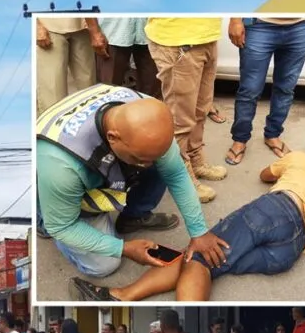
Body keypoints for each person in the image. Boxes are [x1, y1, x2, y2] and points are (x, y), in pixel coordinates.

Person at [70, 151, 305, 302]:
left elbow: (265, 175)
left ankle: (120, 296)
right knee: (210, 261)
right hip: (293, 248)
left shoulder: (302, 159)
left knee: (199, 256)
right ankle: (121, 295)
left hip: (275, 212)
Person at [36, 84, 227, 280]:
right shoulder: (61, 164)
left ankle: (133, 216)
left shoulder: (147, 113)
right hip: (60, 175)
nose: (147, 166)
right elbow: (63, 226)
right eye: (139, 158)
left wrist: (199, 231)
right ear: (113, 138)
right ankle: (43, 214)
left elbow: (176, 174)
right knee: (104, 265)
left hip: (88, 160)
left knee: (160, 162)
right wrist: (123, 248)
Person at [225, 17, 305, 165]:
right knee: (250, 90)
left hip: (299, 28)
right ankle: (240, 139)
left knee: (285, 89)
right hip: (260, 26)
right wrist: (235, 19)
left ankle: (272, 134)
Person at [145, 18, 228, 203]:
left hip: (206, 36)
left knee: (201, 110)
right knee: (180, 119)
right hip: (177, 40)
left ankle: (196, 159)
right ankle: (181, 176)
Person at [35, 17, 104, 115]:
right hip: (48, 26)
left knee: (88, 89)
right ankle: (53, 128)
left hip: (82, 25)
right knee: (53, 95)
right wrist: (36, 25)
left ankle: (87, 127)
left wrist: (95, 30)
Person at [96, 17, 160, 98]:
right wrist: (94, 31)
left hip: (151, 30)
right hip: (113, 33)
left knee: (152, 91)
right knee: (109, 91)